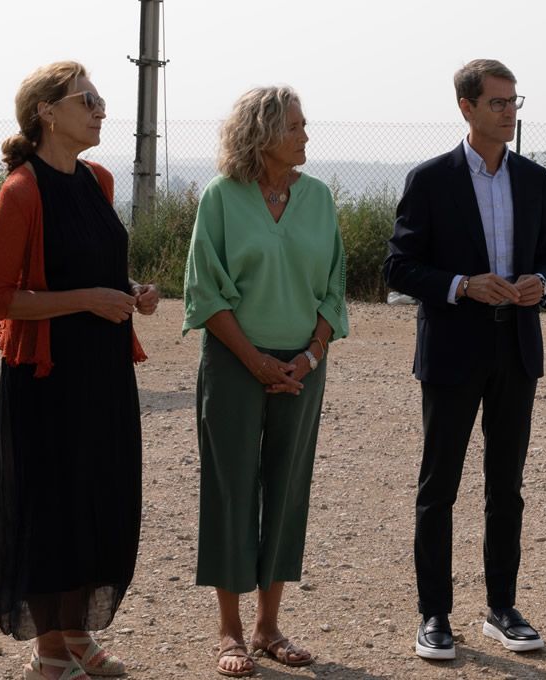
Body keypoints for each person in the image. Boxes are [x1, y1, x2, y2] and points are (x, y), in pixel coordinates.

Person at [0, 61, 159, 680]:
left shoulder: (100, 180)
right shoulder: (22, 190)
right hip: (47, 379)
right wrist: (88, 299)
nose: (102, 108)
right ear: (47, 113)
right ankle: (50, 652)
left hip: (103, 372)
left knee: (94, 501)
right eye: (89, 99)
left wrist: (130, 291)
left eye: (100, 98)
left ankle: (76, 636)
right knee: (51, 507)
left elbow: (88, 268)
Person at [385, 58, 546, 660]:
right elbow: (399, 266)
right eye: (498, 103)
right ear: (466, 108)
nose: (510, 113)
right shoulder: (430, 180)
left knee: (506, 487)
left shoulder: (535, 179)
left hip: (516, 349)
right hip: (454, 350)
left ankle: (502, 608)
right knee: (439, 488)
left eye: (515, 102)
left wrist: (542, 281)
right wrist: (463, 284)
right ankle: (434, 614)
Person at [182, 86, 348, 677]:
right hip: (233, 362)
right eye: (296, 127)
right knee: (231, 487)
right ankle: (228, 631)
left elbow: (334, 286)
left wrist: (309, 355)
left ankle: (268, 627)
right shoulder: (221, 199)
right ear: (262, 134)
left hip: (304, 365)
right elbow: (206, 287)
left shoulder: (320, 198)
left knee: (287, 488)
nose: (307, 136)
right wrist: (254, 360)